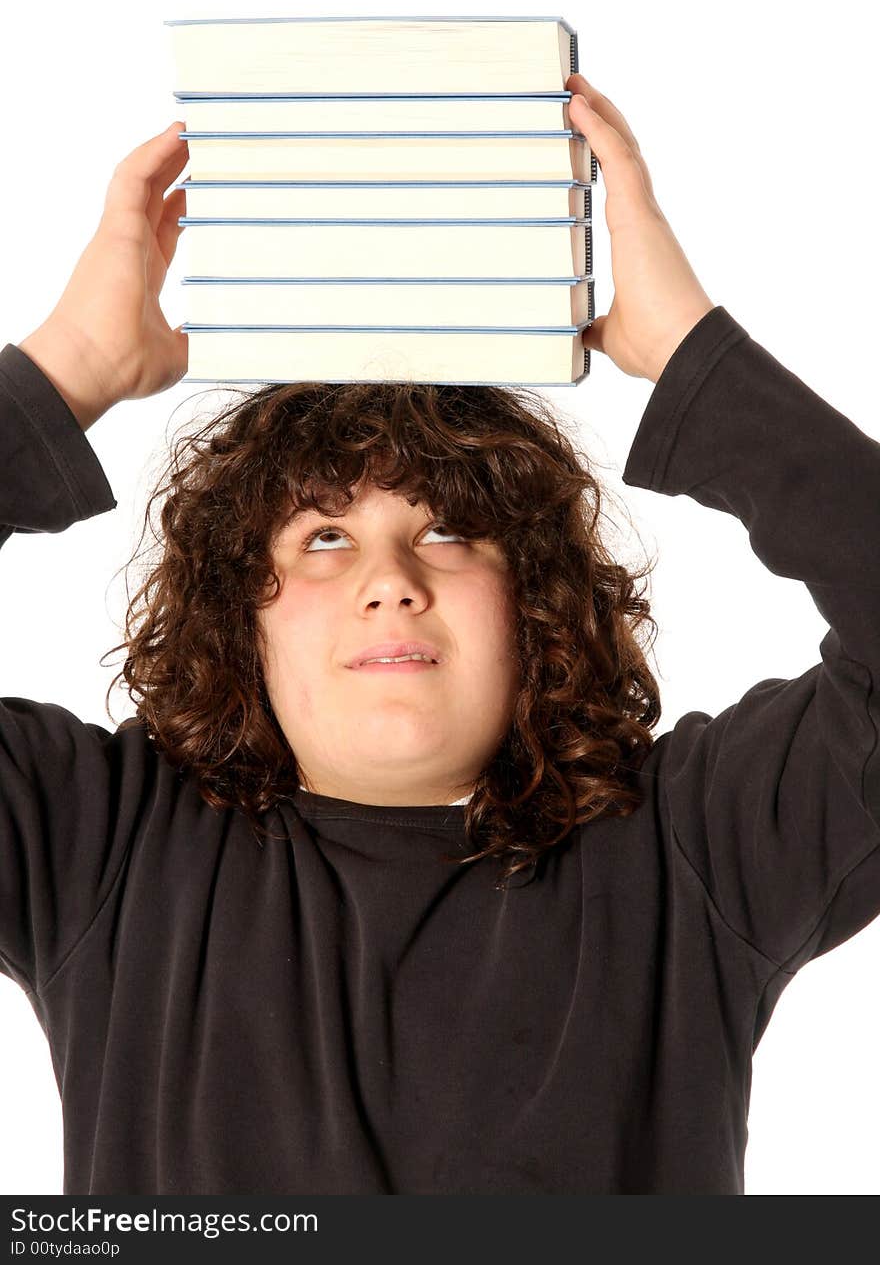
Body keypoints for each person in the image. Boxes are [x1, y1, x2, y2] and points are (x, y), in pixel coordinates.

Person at [1, 75, 878, 1195]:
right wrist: (66, 368)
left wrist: (691, 357)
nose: (390, 584)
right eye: (324, 538)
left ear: (537, 604)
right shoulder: (95, 845)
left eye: (452, 532)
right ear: (241, 611)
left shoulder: (693, 846)